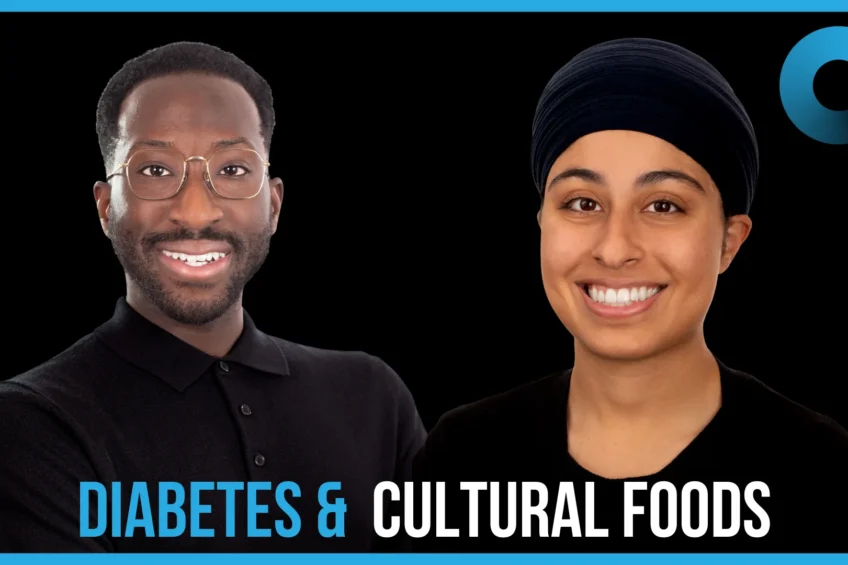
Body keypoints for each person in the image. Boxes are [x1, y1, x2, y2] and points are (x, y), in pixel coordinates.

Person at [411, 38, 848, 552]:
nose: (615, 249)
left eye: (663, 206)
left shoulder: (819, 470)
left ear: (729, 241)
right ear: (543, 223)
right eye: (583, 202)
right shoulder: (463, 458)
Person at [0, 41, 425, 552]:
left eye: (232, 170)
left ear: (273, 206)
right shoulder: (32, 422)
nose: (197, 212)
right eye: (156, 170)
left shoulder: (372, 397)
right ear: (106, 207)